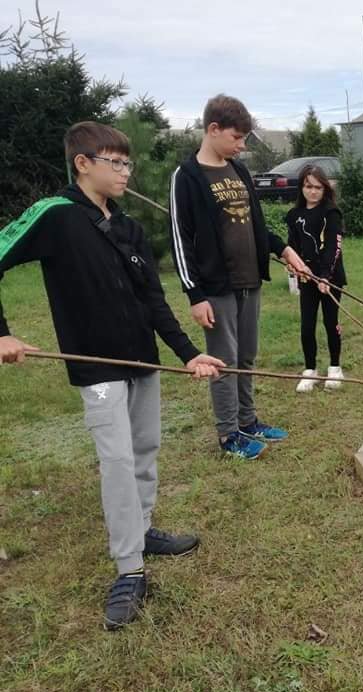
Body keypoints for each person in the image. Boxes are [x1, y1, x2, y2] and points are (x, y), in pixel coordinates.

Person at [0, 121, 226, 629]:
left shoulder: (128, 227)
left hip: (141, 361)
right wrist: (2, 333)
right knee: (118, 461)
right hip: (97, 367)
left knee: (144, 450)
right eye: (116, 162)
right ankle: (129, 568)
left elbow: (152, 300)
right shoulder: (54, 216)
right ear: (83, 163)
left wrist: (188, 353)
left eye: (128, 163)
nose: (126, 171)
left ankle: (143, 528)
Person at [169, 94, 308, 459]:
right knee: (223, 362)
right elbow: (180, 239)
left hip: (249, 281)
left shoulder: (239, 171)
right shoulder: (187, 177)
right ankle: (228, 434)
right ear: (213, 130)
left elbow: (257, 225)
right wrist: (194, 294)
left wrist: (284, 250)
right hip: (215, 288)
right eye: (236, 138)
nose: (242, 146)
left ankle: (248, 421)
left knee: (246, 356)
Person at [285, 164, 347, 393]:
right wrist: (292, 265)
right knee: (306, 326)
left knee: (331, 323)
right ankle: (310, 371)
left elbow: (333, 246)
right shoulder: (294, 215)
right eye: (308, 186)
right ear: (302, 187)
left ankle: (335, 368)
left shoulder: (331, 213)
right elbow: (292, 246)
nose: (312, 191)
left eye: (317, 187)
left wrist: (325, 276)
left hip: (329, 278)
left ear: (324, 189)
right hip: (306, 278)